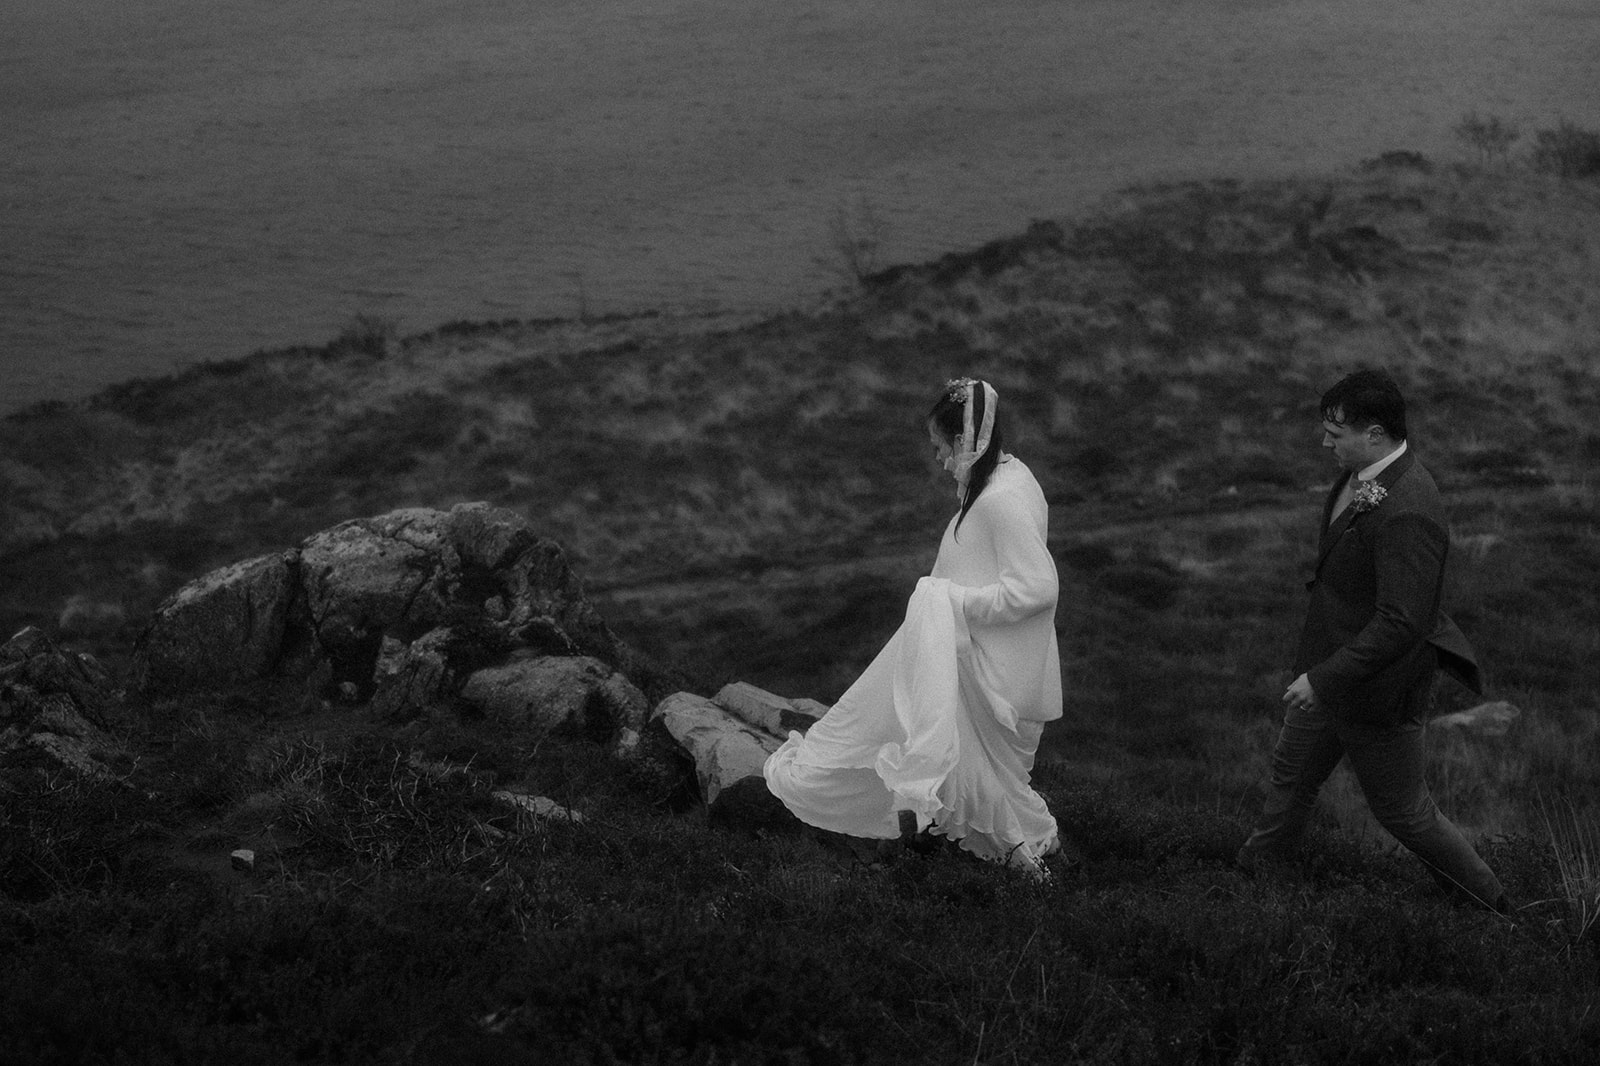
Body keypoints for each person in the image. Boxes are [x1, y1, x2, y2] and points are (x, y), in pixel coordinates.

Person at [763, 377, 1062, 876]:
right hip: (968, 654)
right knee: (975, 769)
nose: (941, 460)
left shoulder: (1001, 499)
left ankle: (1017, 862)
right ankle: (1023, 851)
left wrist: (953, 602)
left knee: (969, 769)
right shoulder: (1007, 477)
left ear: (965, 441)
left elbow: (1038, 588)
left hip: (985, 670)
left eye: (942, 448)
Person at [1236, 369, 1507, 911]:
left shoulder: (1410, 509)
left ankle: (1495, 910)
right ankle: (1251, 884)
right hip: (1326, 673)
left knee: (1405, 813)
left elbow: (1402, 622)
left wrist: (1322, 679)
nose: (1325, 443)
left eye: (1336, 434)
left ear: (1376, 433)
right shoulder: (1356, 476)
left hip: (1377, 689)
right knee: (1290, 781)